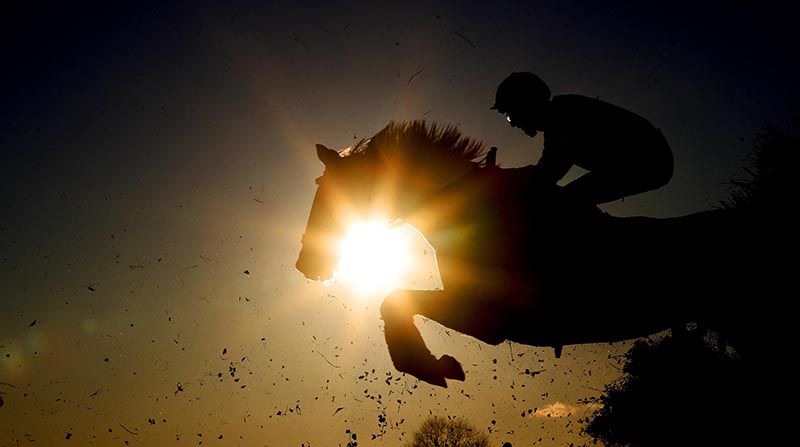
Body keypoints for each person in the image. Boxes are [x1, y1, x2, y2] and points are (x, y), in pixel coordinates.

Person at [492, 72, 673, 205]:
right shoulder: (560, 114)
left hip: (648, 159)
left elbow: (547, 173)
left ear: (525, 103)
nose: (513, 124)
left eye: (510, 115)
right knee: (569, 199)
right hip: (643, 159)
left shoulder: (563, 116)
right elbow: (548, 170)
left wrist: (501, 179)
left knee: (565, 204)